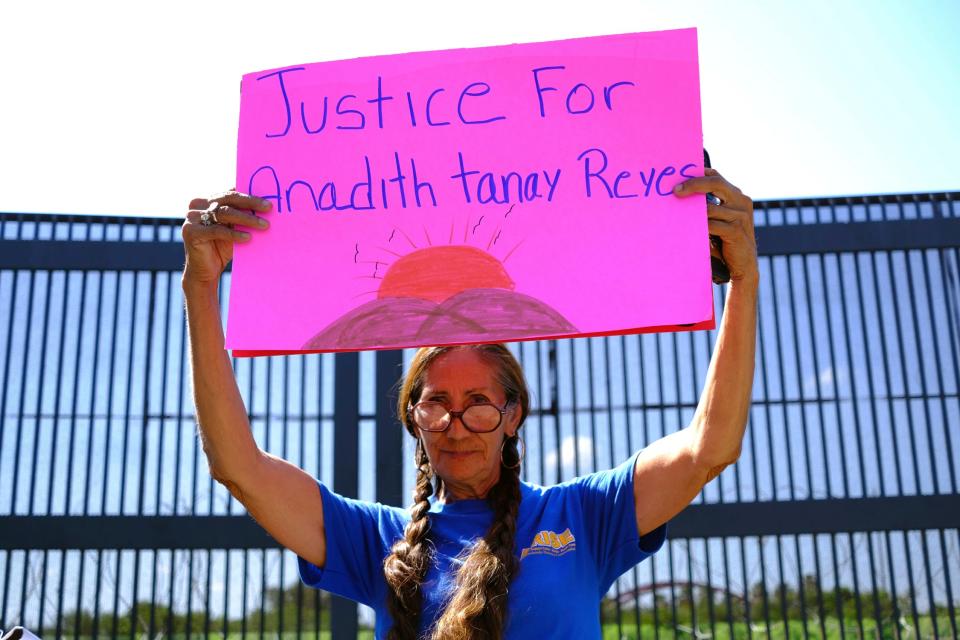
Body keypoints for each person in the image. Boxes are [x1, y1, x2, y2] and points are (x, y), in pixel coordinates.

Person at [180, 168, 758, 639]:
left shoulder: (585, 517)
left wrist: (743, 280)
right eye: (436, 404)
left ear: (512, 415)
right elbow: (240, 467)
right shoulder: (376, 541)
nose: (456, 426)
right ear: (414, 420)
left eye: (478, 402)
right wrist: (200, 288)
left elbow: (711, 445)